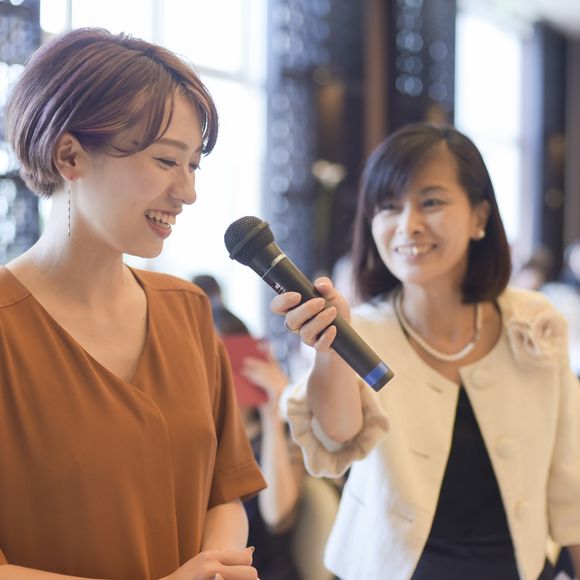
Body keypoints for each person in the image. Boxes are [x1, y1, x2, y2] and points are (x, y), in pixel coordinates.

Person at [0, 28, 266, 580]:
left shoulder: (187, 311)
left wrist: (214, 569)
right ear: (69, 155)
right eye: (166, 161)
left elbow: (224, 494)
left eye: (193, 165)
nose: (187, 192)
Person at [270, 122, 580, 579]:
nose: (408, 225)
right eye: (388, 207)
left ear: (479, 217)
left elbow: (571, 475)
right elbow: (337, 437)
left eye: (431, 202)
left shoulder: (534, 320)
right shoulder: (362, 330)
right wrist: (331, 347)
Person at [192, 274, 304, 580]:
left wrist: (272, 415)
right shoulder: (195, 438)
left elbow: (277, 516)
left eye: (226, 359)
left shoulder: (279, 435)